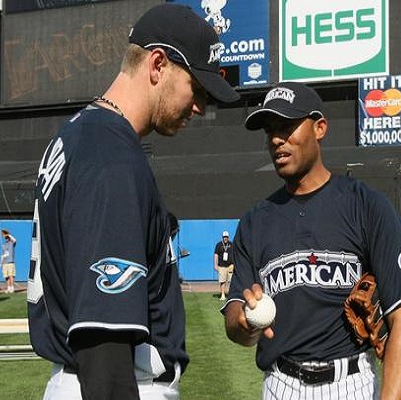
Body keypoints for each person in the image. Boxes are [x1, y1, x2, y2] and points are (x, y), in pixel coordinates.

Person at [27, 4, 239, 400]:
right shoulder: (110, 155)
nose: (200, 107)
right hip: (114, 385)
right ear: (157, 64)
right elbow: (102, 341)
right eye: (197, 88)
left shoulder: (78, 135)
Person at [222, 82, 401, 399]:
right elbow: (234, 321)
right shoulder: (255, 221)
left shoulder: (365, 205)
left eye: (287, 126)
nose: (277, 139)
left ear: (320, 127)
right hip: (282, 384)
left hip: (351, 383)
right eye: (270, 130)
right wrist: (245, 323)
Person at [214, 230, 234, 301]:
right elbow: (216, 255)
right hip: (222, 266)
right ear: (222, 237)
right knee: (222, 281)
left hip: (230, 266)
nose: (225, 238)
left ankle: (231, 295)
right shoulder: (218, 245)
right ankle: (223, 295)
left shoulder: (231, 244)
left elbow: (235, 254)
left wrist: (234, 264)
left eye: (226, 237)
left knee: (231, 281)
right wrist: (215, 265)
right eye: (224, 237)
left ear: (228, 237)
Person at [0, 228, 17, 294]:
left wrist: (8, 234)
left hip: (10, 262)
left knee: (11, 276)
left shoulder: (11, 244)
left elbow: (15, 240)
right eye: (6, 238)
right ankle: (8, 288)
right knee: (6, 276)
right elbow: (2, 255)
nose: (7, 239)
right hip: (5, 263)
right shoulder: (3, 246)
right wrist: (1, 263)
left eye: (7, 238)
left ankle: (12, 288)